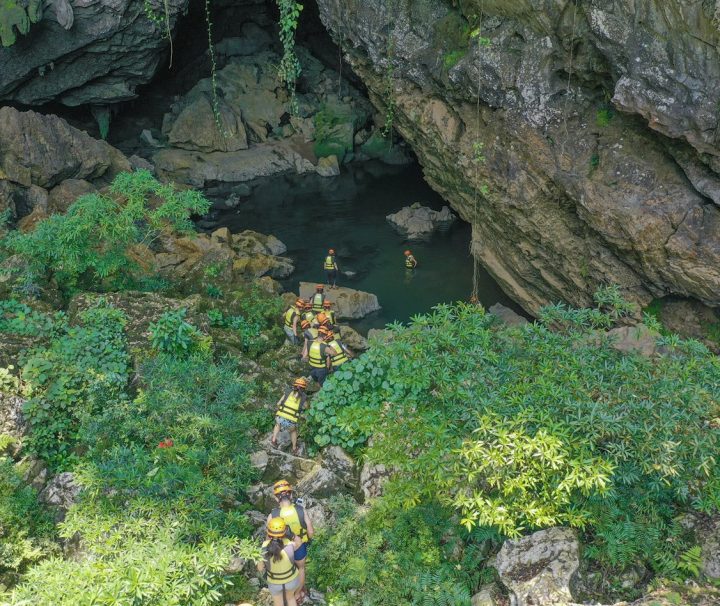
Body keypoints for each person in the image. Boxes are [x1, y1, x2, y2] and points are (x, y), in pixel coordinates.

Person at [268, 480, 315, 605]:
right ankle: (297, 593)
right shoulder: (300, 510)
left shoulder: (273, 515)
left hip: (281, 548)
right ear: (291, 494)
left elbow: (268, 538)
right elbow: (310, 531)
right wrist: (309, 539)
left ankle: (284, 594)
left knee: (286, 571)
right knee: (301, 569)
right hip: (300, 546)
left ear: (276, 497)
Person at [258, 516, 302, 606]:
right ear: (285, 531)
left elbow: (260, 568)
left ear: (268, 532)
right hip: (291, 580)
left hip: (274, 582)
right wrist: (292, 535)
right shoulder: (290, 544)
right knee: (290, 598)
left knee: (278, 603)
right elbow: (299, 542)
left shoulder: (263, 547)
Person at [271, 378, 308, 455]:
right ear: (304, 388)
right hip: (291, 423)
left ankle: (274, 440)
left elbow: (278, 403)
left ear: (294, 386)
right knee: (293, 431)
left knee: (277, 424)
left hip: (280, 418)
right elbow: (307, 407)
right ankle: (294, 448)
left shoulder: (287, 392)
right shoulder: (304, 397)